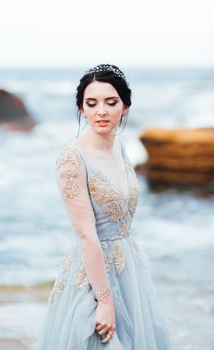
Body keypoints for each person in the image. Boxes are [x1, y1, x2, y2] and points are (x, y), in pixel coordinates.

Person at [36, 64, 171, 349]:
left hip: (130, 270)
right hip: (93, 274)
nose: (101, 111)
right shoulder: (72, 159)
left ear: (126, 107)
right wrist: (104, 300)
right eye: (91, 103)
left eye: (111, 102)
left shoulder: (120, 148)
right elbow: (86, 234)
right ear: (81, 109)